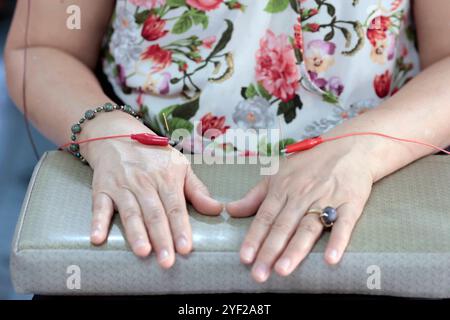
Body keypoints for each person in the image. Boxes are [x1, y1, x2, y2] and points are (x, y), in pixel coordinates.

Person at [5, 0, 450, 283]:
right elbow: (40, 47)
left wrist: (360, 150)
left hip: (365, 200)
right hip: (136, 197)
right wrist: (112, 135)